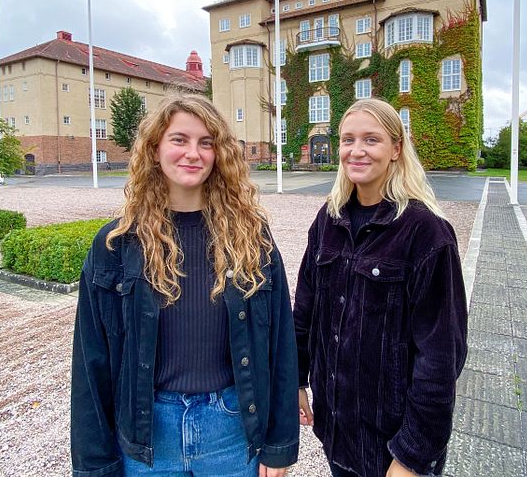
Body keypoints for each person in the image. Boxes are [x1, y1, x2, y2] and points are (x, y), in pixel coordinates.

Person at [71, 94, 299, 477]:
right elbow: (91, 361)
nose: (193, 153)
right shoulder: (117, 244)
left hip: (231, 431)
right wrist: (95, 465)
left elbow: (279, 344)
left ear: (219, 154)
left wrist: (278, 447)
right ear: (155, 148)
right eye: (179, 140)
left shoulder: (251, 237)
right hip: (147, 438)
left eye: (206, 143)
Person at [293, 98, 468, 477]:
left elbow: (440, 359)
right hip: (337, 431)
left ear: (396, 149)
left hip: (392, 445)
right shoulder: (329, 219)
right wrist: (297, 380)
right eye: (347, 140)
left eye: (371, 140)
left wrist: (411, 457)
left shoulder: (426, 232)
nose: (356, 151)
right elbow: (305, 312)